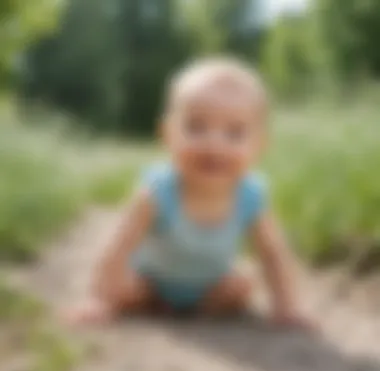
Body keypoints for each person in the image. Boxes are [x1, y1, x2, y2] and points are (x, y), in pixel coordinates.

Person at [67, 57, 315, 328]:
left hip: (210, 288)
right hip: (150, 283)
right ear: (167, 134)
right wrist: (98, 299)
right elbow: (118, 246)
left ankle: (196, 308)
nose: (214, 144)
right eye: (196, 127)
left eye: (234, 133)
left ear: (259, 145)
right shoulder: (158, 191)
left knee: (242, 285)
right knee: (124, 288)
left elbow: (273, 254)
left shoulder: (250, 197)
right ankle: (153, 302)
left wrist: (287, 307)